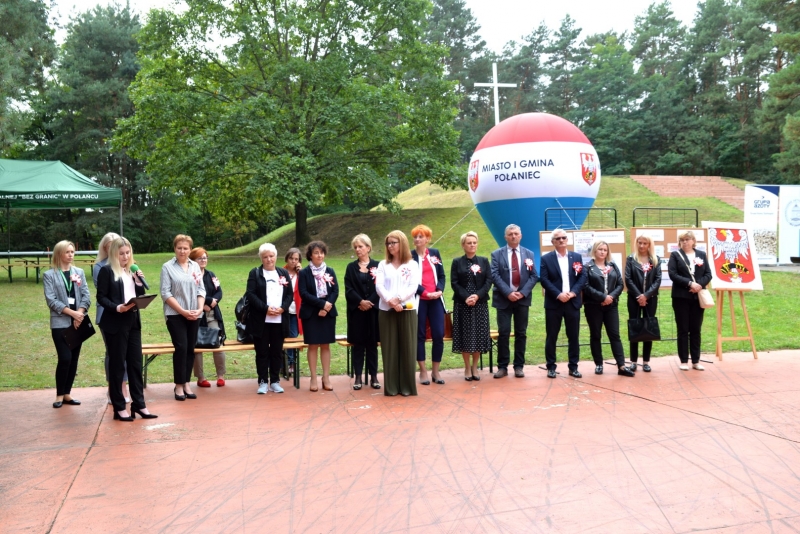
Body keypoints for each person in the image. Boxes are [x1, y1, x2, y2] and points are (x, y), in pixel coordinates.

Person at [96, 237, 157, 421]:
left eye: (128, 252)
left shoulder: (132, 270)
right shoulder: (107, 271)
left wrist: (138, 283)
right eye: (121, 253)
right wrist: (117, 307)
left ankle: (139, 404)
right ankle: (119, 407)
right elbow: (101, 297)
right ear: (114, 254)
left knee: (135, 364)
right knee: (117, 366)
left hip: (133, 321)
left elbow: (138, 294)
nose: (125, 256)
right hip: (115, 322)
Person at [43, 240, 91, 409]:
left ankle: (67, 394)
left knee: (74, 359)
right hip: (60, 323)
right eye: (67, 252)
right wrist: (73, 314)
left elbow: (86, 295)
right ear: (59, 254)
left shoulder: (79, 272)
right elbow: (51, 300)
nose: (71, 255)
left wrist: (80, 314)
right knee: (65, 358)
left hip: (78, 322)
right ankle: (59, 394)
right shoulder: (49, 275)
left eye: (72, 252)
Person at [489, 224, 538, 378]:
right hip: (503, 299)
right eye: (510, 234)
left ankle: (519, 366)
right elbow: (494, 275)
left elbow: (534, 276)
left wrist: (522, 293)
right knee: (503, 332)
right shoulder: (497, 254)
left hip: (522, 300)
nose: (513, 236)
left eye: (516, 233)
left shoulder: (529, 254)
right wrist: (508, 292)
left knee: (521, 333)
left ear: (520, 236)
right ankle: (502, 367)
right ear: (505, 237)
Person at [161, 234, 206, 401]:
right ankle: (179, 385)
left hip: (194, 314)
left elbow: (201, 289)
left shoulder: (195, 266)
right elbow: (165, 293)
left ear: (190, 250)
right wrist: (182, 311)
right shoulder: (167, 267)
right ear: (174, 249)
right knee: (181, 347)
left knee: (190, 348)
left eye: (185, 248)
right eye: (179, 248)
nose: (182, 251)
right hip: (175, 314)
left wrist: (199, 309)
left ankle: (187, 382)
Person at [375, 230, 420, 397]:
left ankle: (407, 386)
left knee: (408, 348)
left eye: (393, 242)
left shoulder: (412, 264)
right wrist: (391, 301)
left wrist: (399, 299)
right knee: (390, 349)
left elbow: (413, 286)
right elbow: (379, 286)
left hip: (407, 310)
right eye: (388, 243)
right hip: (387, 311)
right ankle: (392, 387)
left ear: (402, 243)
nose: (390, 246)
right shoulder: (383, 265)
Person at [245, 243, 294, 394]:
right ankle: (262, 381)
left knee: (276, 352)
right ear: (261, 258)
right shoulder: (255, 273)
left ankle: (275, 381)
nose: (269, 259)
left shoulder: (283, 273)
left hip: (279, 320)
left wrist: (282, 308)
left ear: (276, 256)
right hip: (261, 321)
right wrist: (265, 308)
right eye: (265, 257)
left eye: (271, 256)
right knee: (262, 352)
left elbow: (289, 294)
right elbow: (250, 294)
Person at [540, 229, 587, 378]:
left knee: (573, 336)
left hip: (572, 302)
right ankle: (551, 367)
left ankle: (573, 367)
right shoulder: (546, 259)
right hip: (554, 303)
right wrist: (558, 294)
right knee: (552, 336)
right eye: (558, 238)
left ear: (567, 240)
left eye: (564, 237)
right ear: (552, 242)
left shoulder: (576, 257)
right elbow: (544, 279)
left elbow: (582, 277)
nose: (561, 240)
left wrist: (573, 293)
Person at [582, 241, 634, 377]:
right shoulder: (587, 267)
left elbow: (620, 284)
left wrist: (611, 297)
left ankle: (621, 365)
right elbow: (586, 286)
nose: (602, 252)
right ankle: (598, 364)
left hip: (611, 306)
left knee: (615, 335)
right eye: (600, 249)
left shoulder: (612, 266)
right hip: (593, 306)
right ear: (595, 250)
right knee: (596, 335)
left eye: (605, 250)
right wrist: (602, 297)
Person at [92, 232, 129, 404]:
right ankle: (112, 388)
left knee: (125, 352)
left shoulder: (127, 264)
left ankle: (124, 386)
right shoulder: (101, 267)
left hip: (126, 315)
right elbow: (103, 292)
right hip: (107, 314)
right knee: (112, 352)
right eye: (109, 245)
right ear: (105, 248)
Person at [668, 230, 712, 371]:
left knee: (696, 329)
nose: (685, 242)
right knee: (683, 329)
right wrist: (690, 284)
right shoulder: (675, 255)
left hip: (697, 297)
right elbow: (673, 274)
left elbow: (708, 274)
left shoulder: (701, 254)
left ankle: (696, 360)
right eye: (682, 240)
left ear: (693, 241)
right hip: (681, 297)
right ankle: (683, 360)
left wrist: (698, 285)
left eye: (687, 239)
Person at [450, 231, 492, 381]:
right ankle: (467, 367)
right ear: (463, 245)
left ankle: (475, 366)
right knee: (465, 336)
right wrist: (466, 297)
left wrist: (477, 295)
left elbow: (488, 281)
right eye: (469, 243)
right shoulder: (457, 262)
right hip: (462, 304)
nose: (472, 245)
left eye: (474, 242)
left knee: (478, 335)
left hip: (479, 303)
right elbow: (454, 282)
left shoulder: (484, 261)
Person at [299, 241, 339, 392]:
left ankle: (326, 377)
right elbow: (303, 293)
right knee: (313, 345)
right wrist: (321, 305)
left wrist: (327, 307)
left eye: (321, 252)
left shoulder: (330, 270)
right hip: (311, 313)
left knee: (326, 345)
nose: (319, 255)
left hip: (327, 313)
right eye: (316, 252)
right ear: (310, 255)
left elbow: (335, 291)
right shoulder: (304, 273)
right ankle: (314, 378)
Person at [410, 224, 446, 385]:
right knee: (420, 335)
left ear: (427, 239)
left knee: (438, 334)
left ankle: (436, 371)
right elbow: (410, 280)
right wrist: (425, 293)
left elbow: (442, 275)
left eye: (421, 236)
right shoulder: (409, 256)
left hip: (436, 300)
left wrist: (439, 290)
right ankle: (423, 371)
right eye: (415, 237)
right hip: (420, 301)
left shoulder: (435, 253)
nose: (417, 239)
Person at [344, 234, 381, 390]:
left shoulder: (378, 266)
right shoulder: (351, 267)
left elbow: (381, 287)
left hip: (373, 312)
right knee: (358, 345)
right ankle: (358, 376)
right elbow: (349, 289)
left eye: (360, 246)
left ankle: (374, 377)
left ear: (368, 247)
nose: (358, 249)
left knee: (372, 345)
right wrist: (360, 302)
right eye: (356, 247)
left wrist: (369, 302)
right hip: (357, 312)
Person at [189, 247, 227, 387]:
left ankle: (221, 376)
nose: (203, 260)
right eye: (200, 258)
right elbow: (191, 293)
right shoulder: (190, 276)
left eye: (205, 257)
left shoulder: (211, 275)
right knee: (197, 346)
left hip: (212, 314)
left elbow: (219, 291)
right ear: (193, 260)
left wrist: (213, 302)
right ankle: (201, 378)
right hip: (196, 315)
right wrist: (206, 302)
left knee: (217, 343)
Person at [625, 235, 662, 372]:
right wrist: (639, 296)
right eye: (639, 243)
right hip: (634, 298)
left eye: (645, 243)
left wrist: (646, 295)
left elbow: (658, 279)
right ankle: (633, 361)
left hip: (650, 299)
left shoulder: (655, 259)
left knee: (649, 326)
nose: (641, 246)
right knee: (634, 327)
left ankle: (646, 361)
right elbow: (628, 279)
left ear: (649, 244)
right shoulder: (631, 259)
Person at [283, 248, 303, 375]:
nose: (293, 261)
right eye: (291, 258)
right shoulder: (281, 272)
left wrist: (301, 273)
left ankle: (291, 363)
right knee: (282, 336)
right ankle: (282, 363)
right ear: (287, 259)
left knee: (293, 336)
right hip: (283, 310)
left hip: (295, 310)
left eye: (296, 259)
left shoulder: (301, 274)